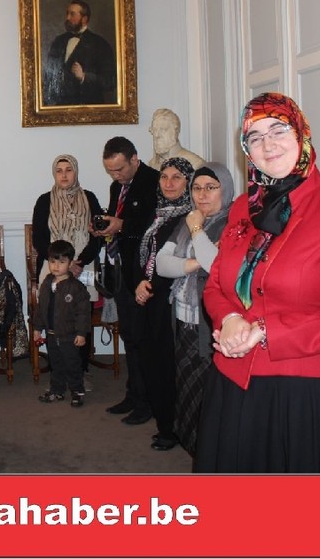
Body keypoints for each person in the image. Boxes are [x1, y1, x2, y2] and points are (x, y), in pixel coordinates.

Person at [195, 93, 320, 473]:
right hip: (234, 381)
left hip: (307, 392)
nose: (268, 145)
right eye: (255, 137)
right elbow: (216, 284)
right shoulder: (242, 207)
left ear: (301, 133)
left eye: (278, 130)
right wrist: (229, 319)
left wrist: (265, 331)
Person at [156, 162, 234, 457]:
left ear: (225, 190)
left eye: (211, 188)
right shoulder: (185, 222)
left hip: (210, 323)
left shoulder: (232, 224)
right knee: (186, 387)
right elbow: (162, 265)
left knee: (208, 393)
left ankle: (210, 453)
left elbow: (216, 266)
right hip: (182, 318)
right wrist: (193, 264)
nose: (202, 195)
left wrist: (197, 230)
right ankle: (194, 448)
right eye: (197, 188)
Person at [90, 137, 160, 426]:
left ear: (134, 159)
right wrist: (105, 228)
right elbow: (117, 220)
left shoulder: (155, 182)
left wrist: (122, 225)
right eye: (110, 171)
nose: (115, 176)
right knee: (129, 336)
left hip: (143, 272)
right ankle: (133, 395)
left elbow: (156, 226)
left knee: (143, 339)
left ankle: (147, 402)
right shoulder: (116, 186)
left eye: (119, 169)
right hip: (120, 269)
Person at [133, 157, 195, 451]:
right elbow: (144, 256)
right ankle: (164, 423)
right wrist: (140, 282)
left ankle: (172, 429)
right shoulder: (157, 213)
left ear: (188, 183)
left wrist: (151, 286)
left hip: (171, 298)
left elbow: (180, 263)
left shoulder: (191, 218)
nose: (169, 183)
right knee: (152, 360)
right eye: (164, 177)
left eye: (177, 177)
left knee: (169, 365)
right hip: (149, 295)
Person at [31, 154, 103, 384]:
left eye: (68, 170)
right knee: (55, 317)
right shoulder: (44, 200)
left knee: (81, 317)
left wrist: (78, 262)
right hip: (53, 264)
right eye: (59, 170)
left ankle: (81, 370)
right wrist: (62, 263)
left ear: (76, 172)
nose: (64, 175)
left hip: (84, 265)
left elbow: (99, 235)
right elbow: (39, 238)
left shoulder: (89, 198)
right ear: (54, 174)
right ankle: (58, 372)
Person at [32, 239, 91, 407]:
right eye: (52, 261)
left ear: (70, 263)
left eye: (62, 262)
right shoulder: (46, 283)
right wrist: (37, 328)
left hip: (69, 335)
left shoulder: (76, 287)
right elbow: (41, 308)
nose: (56, 266)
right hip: (51, 334)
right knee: (56, 364)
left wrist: (81, 333)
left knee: (72, 364)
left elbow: (83, 313)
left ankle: (77, 391)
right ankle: (57, 390)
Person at [42, 0, 117, 107]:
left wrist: (84, 77)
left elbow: (110, 81)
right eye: (67, 13)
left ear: (84, 19)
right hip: (60, 107)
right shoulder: (58, 41)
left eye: (72, 14)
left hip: (88, 107)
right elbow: (48, 76)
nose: (67, 18)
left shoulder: (100, 44)